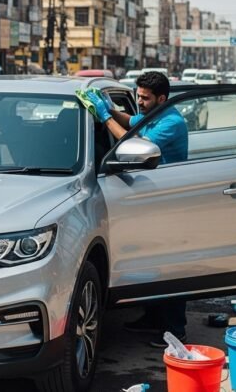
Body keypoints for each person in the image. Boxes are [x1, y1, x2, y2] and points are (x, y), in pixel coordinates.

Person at [86, 71, 189, 347]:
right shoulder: (156, 114)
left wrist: (105, 117)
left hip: (169, 203)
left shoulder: (172, 122)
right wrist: (111, 109)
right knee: (152, 262)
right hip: (151, 201)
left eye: (144, 98)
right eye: (138, 96)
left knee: (169, 267)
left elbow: (132, 142)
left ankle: (176, 329)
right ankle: (153, 318)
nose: (139, 102)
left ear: (162, 99)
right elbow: (131, 122)